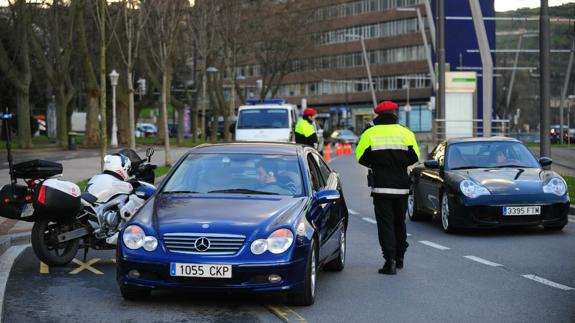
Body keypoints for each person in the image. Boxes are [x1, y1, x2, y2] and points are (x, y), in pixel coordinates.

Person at [356, 100, 420, 275]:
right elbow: (414, 156)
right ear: (394, 114)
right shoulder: (406, 133)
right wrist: (398, 165)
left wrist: (376, 164)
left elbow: (360, 157)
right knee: (400, 223)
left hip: (381, 187)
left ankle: (389, 261)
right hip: (401, 187)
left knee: (386, 225)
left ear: (378, 115)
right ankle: (400, 257)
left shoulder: (370, 133)